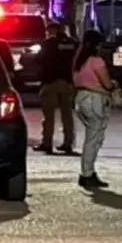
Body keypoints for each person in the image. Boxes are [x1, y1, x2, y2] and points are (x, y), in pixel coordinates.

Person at [72, 29, 116, 189]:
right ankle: (87, 173)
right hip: (94, 100)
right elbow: (107, 84)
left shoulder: (79, 60)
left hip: (80, 98)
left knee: (92, 137)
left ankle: (88, 172)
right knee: (94, 139)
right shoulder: (97, 61)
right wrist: (113, 87)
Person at [35, 23, 79, 154]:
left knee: (49, 116)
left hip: (50, 81)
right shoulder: (73, 44)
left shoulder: (48, 44)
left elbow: (38, 60)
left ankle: (47, 143)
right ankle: (68, 143)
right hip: (67, 82)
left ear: (52, 31)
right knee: (67, 115)